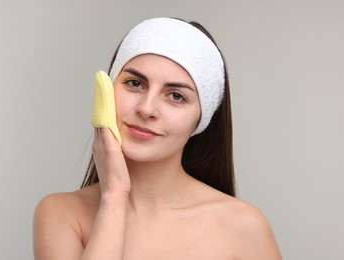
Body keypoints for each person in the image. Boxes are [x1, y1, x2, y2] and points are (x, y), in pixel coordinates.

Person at [33, 17, 282, 259]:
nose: (147, 109)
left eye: (176, 96)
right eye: (134, 83)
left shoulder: (244, 227)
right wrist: (115, 196)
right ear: (107, 92)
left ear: (201, 120)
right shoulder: (61, 214)